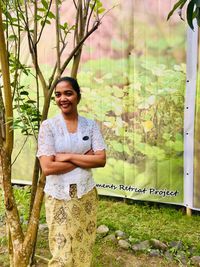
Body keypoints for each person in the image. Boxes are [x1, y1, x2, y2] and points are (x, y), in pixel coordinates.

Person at [36, 76, 106, 267]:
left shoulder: (90, 125)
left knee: (84, 245)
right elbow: (48, 168)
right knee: (61, 250)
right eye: (58, 95)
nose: (63, 98)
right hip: (58, 195)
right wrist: (84, 157)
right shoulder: (48, 127)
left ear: (78, 96)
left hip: (86, 194)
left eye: (68, 93)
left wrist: (65, 156)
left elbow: (100, 160)